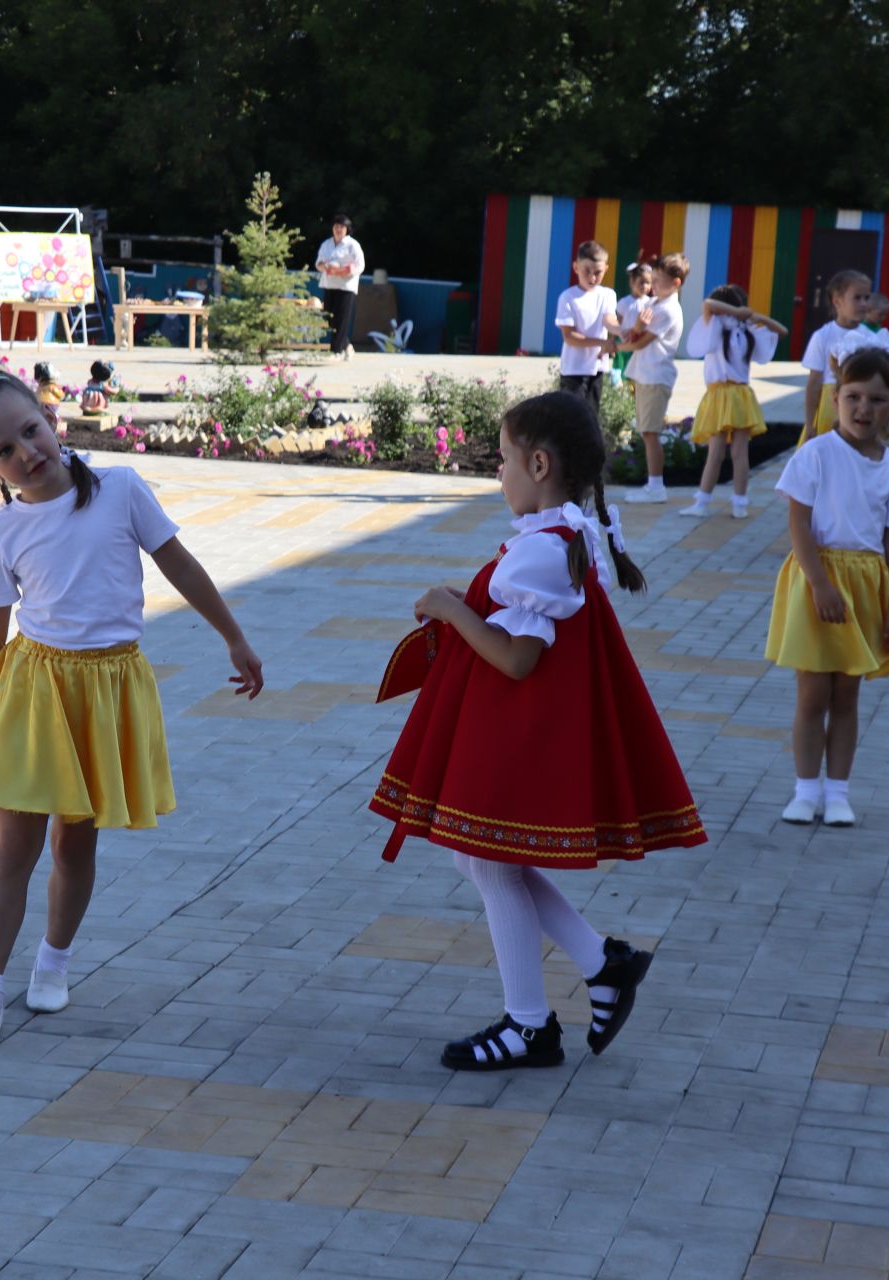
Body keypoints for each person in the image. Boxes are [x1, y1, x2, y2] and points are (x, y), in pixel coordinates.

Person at [0, 369, 264, 1050]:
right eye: (4, 450)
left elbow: (182, 566)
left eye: (31, 429)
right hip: (35, 694)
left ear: (52, 418)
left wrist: (234, 636)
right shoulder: (3, 531)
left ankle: (52, 965)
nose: (26, 451)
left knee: (76, 842)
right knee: (12, 850)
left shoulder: (121, 491)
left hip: (108, 690)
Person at [370, 391, 705, 1070]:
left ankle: (529, 1024)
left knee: (488, 859)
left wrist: (452, 607)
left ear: (540, 463)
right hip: (517, 725)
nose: (498, 472)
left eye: (503, 459)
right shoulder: (567, 531)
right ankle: (598, 963)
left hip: (518, 728)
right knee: (482, 857)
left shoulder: (542, 552)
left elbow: (518, 660)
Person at [765, 349, 889, 829]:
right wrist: (819, 583)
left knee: (847, 696)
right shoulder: (815, 454)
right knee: (813, 695)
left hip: (864, 586)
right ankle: (805, 790)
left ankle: (838, 793)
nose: (863, 408)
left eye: (876, 399)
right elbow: (799, 522)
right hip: (819, 581)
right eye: (853, 397)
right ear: (836, 399)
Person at [682, 284, 782, 520]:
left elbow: (708, 305)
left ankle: (703, 502)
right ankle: (739, 503)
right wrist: (744, 315)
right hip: (741, 397)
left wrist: (747, 317)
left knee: (717, 453)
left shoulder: (721, 327)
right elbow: (710, 305)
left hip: (722, 395)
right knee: (739, 453)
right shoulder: (739, 329)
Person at [619, 252, 688, 504]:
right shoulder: (656, 304)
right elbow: (634, 334)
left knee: (650, 433)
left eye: (658, 280)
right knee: (647, 431)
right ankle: (652, 485)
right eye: (653, 279)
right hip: (645, 375)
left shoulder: (668, 309)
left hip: (655, 376)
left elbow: (637, 344)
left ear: (676, 283)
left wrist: (613, 348)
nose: (653, 285)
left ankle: (656, 487)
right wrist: (635, 328)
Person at [802, 272, 889, 440]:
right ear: (837, 301)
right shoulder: (822, 336)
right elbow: (814, 383)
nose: (863, 304)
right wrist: (810, 424)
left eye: (866, 298)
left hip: (861, 407)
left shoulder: (871, 338)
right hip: (829, 408)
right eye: (857, 298)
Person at [555, 241, 621, 422]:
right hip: (573, 371)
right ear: (576, 267)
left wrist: (622, 331)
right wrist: (602, 343)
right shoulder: (568, 297)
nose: (592, 277)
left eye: (598, 272)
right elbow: (569, 337)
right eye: (587, 271)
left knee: (591, 419)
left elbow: (609, 320)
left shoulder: (608, 295)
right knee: (571, 420)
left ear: (606, 269)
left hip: (596, 369)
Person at [315, 214, 365, 360]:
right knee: (329, 317)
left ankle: (336, 351)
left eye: (342, 227)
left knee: (341, 319)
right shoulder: (327, 244)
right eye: (336, 226)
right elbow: (318, 263)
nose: (338, 229)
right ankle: (347, 345)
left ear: (347, 229)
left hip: (346, 286)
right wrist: (326, 267)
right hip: (329, 284)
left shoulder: (353, 245)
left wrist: (347, 270)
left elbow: (360, 265)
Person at [613, 261, 654, 382]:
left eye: (648, 283)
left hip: (641, 343)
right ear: (632, 282)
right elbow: (617, 323)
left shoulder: (650, 303)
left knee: (638, 373)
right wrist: (613, 341)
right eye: (641, 283)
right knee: (623, 369)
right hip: (625, 341)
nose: (645, 286)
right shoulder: (624, 302)